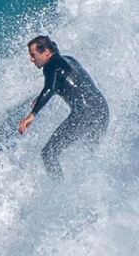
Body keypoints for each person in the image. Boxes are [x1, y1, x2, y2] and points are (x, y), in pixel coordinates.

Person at [17, 35, 108, 177]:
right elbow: (61, 82)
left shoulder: (50, 66)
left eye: (34, 55)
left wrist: (32, 114)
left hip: (85, 113)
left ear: (47, 52)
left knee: (48, 153)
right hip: (102, 109)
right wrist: (39, 98)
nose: (32, 60)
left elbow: (50, 88)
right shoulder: (68, 60)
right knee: (91, 151)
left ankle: (60, 191)